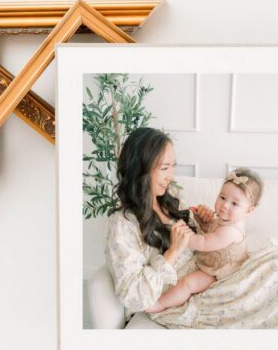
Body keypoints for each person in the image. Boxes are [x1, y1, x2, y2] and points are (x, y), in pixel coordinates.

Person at [104, 127, 194, 318]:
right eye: (164, 168)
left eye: (173, 166)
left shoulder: (171, 200)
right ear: (140, 169)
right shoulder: (123, 224)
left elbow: (196, 244)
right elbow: (134, 296)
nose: (171, 176)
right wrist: (172, 253)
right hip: (178, 300)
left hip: (205, 282)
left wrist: (205, 225)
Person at [145, 169, 263, 313]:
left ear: (249, 210)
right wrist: (203, 222)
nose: (225, 205)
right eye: (222, 197)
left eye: (234, 204)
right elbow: (213, 230)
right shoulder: (227, 219)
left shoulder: (231, 231)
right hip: (214, 263)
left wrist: (184, 235)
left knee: (187, 284)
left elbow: (205, 243)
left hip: (220, 272)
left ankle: (161, 304)